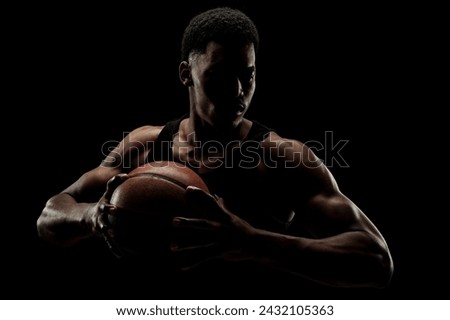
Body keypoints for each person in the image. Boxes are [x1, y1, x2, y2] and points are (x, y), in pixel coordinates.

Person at [37, 7, 393, 298]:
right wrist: (92, 216)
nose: (238, 90)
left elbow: (375, 261)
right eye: (220, 75)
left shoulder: (283, 158)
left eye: (247, 75)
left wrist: (251, 241)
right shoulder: (145, 145)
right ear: (186, 74)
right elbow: (51, 215)